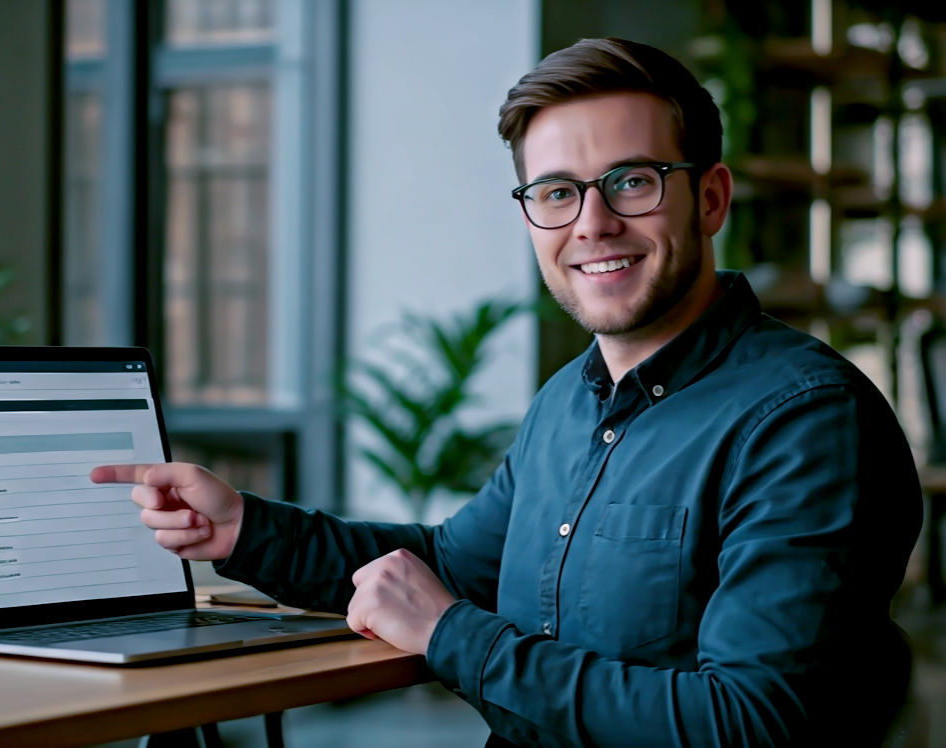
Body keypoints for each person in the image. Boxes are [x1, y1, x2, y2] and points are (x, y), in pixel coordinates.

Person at [92, 37, 922, 747]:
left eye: (631, 181)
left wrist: (454, 635)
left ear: (710, 198)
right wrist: (242, 529)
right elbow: (455, 564)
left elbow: (749, 722)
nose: (592, 224)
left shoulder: (806, 419)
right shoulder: (569, 401)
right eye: (557, 192)